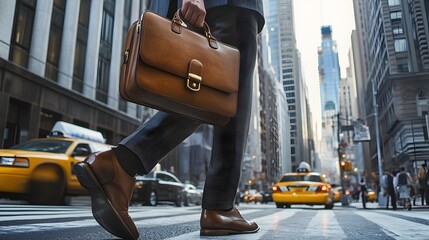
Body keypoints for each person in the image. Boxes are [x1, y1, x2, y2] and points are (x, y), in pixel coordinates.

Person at [72, 1, 265, 239]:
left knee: (216, 98)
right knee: (227, 98)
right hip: (227, 4)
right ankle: (121, 163)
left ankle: (218, 207)